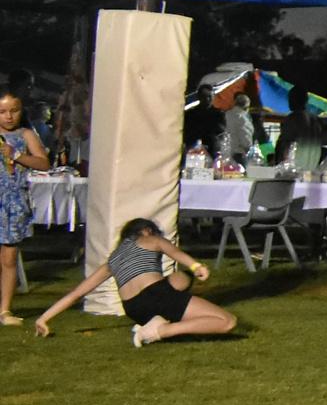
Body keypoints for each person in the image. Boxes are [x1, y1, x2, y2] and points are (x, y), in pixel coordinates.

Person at [33, 216, 236, 347]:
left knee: (179, 279)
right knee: (226, 322)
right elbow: (175, 252)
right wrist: (196, 266)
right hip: (156, 294)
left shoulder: (113, 259)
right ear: (146, 231)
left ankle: (155, 322)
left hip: (133, 308)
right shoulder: (151, 239)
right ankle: (160, 330)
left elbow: (77, 293)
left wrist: (44, 318)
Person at [0, 92, 49, 326]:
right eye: (3, 111)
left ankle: (5, 310)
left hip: (14, 200)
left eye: (14, 110)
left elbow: (43, 162)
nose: (9, 116)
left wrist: (18, 156)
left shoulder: (26, 134)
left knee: (9, 257)